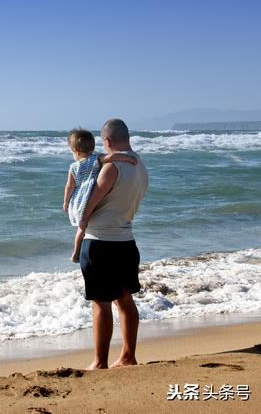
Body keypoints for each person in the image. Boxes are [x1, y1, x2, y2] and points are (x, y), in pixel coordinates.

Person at [78, 118, 149, 369]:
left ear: (107, 141)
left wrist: (79, 223)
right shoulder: (139, 164)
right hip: (126, 241)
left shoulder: (112, 168)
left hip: (100, 242)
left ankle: (100, 362)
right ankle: (128, 356)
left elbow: (88, 205)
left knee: (101, 302)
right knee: (125, 299)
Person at [63, 128, 137, 262]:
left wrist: (66, 202)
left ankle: (75, 252)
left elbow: (70, 186)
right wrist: (128, 158)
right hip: (91, 197)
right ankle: (76, 252)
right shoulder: (96, 158)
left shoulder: (73, 167)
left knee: (81, 227)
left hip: (79, 201)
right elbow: (112, 157)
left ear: (76, 151)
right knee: (84, 225)